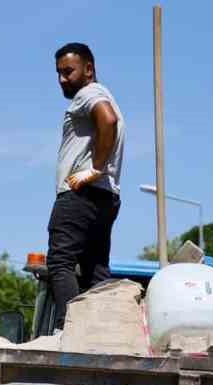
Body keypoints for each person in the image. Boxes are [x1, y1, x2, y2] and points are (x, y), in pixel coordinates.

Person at [49, 42, 124, 321]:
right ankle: (100, 332)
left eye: (68, 72)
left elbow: (108, 120)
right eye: (58, 73)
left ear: (89, 69)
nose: (61, 79)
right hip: (106, 198)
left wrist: (93, 169)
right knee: (96, 272)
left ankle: (68, 331)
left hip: (79, 196)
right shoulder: (105, 94)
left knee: (60, 262)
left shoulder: (88, 93)